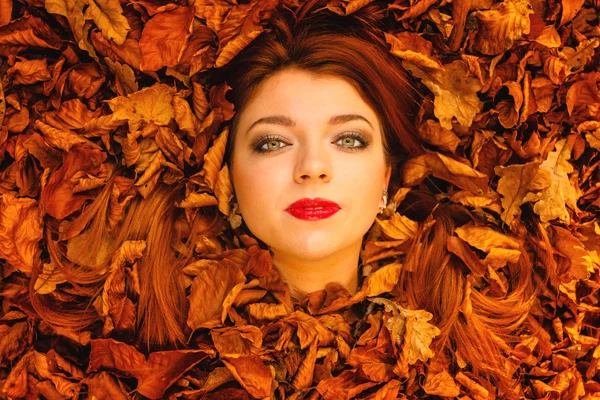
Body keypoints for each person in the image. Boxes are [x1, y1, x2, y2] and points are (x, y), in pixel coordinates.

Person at [30, 0, 537, 398]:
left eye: (349, 139)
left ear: (387, 178)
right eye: (273, 142)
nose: (312, 167)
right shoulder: (144, 350)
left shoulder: (472, 345)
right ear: (226, 176)